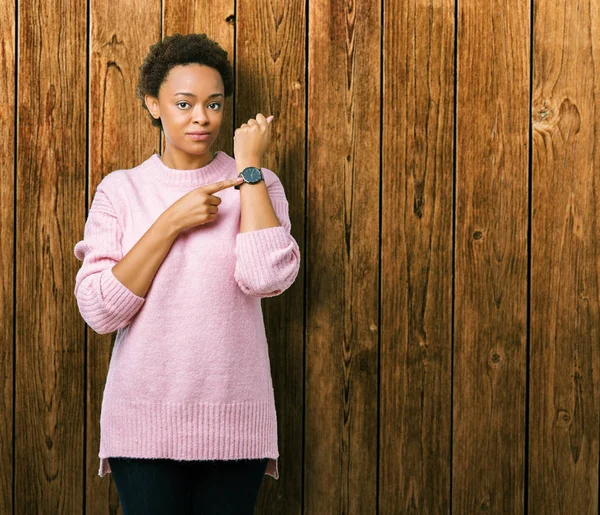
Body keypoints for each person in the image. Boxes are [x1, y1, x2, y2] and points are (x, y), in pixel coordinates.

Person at [73, 32, 300, 514]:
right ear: (153, 104)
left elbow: (266, 277)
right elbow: (98, 310)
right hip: (143, 423)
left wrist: (251, 167)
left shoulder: (256, 183)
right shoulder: (121, 190)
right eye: (184, 103)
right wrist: (172, 221)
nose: (202, 117)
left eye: (214, 104)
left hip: (236, 421)